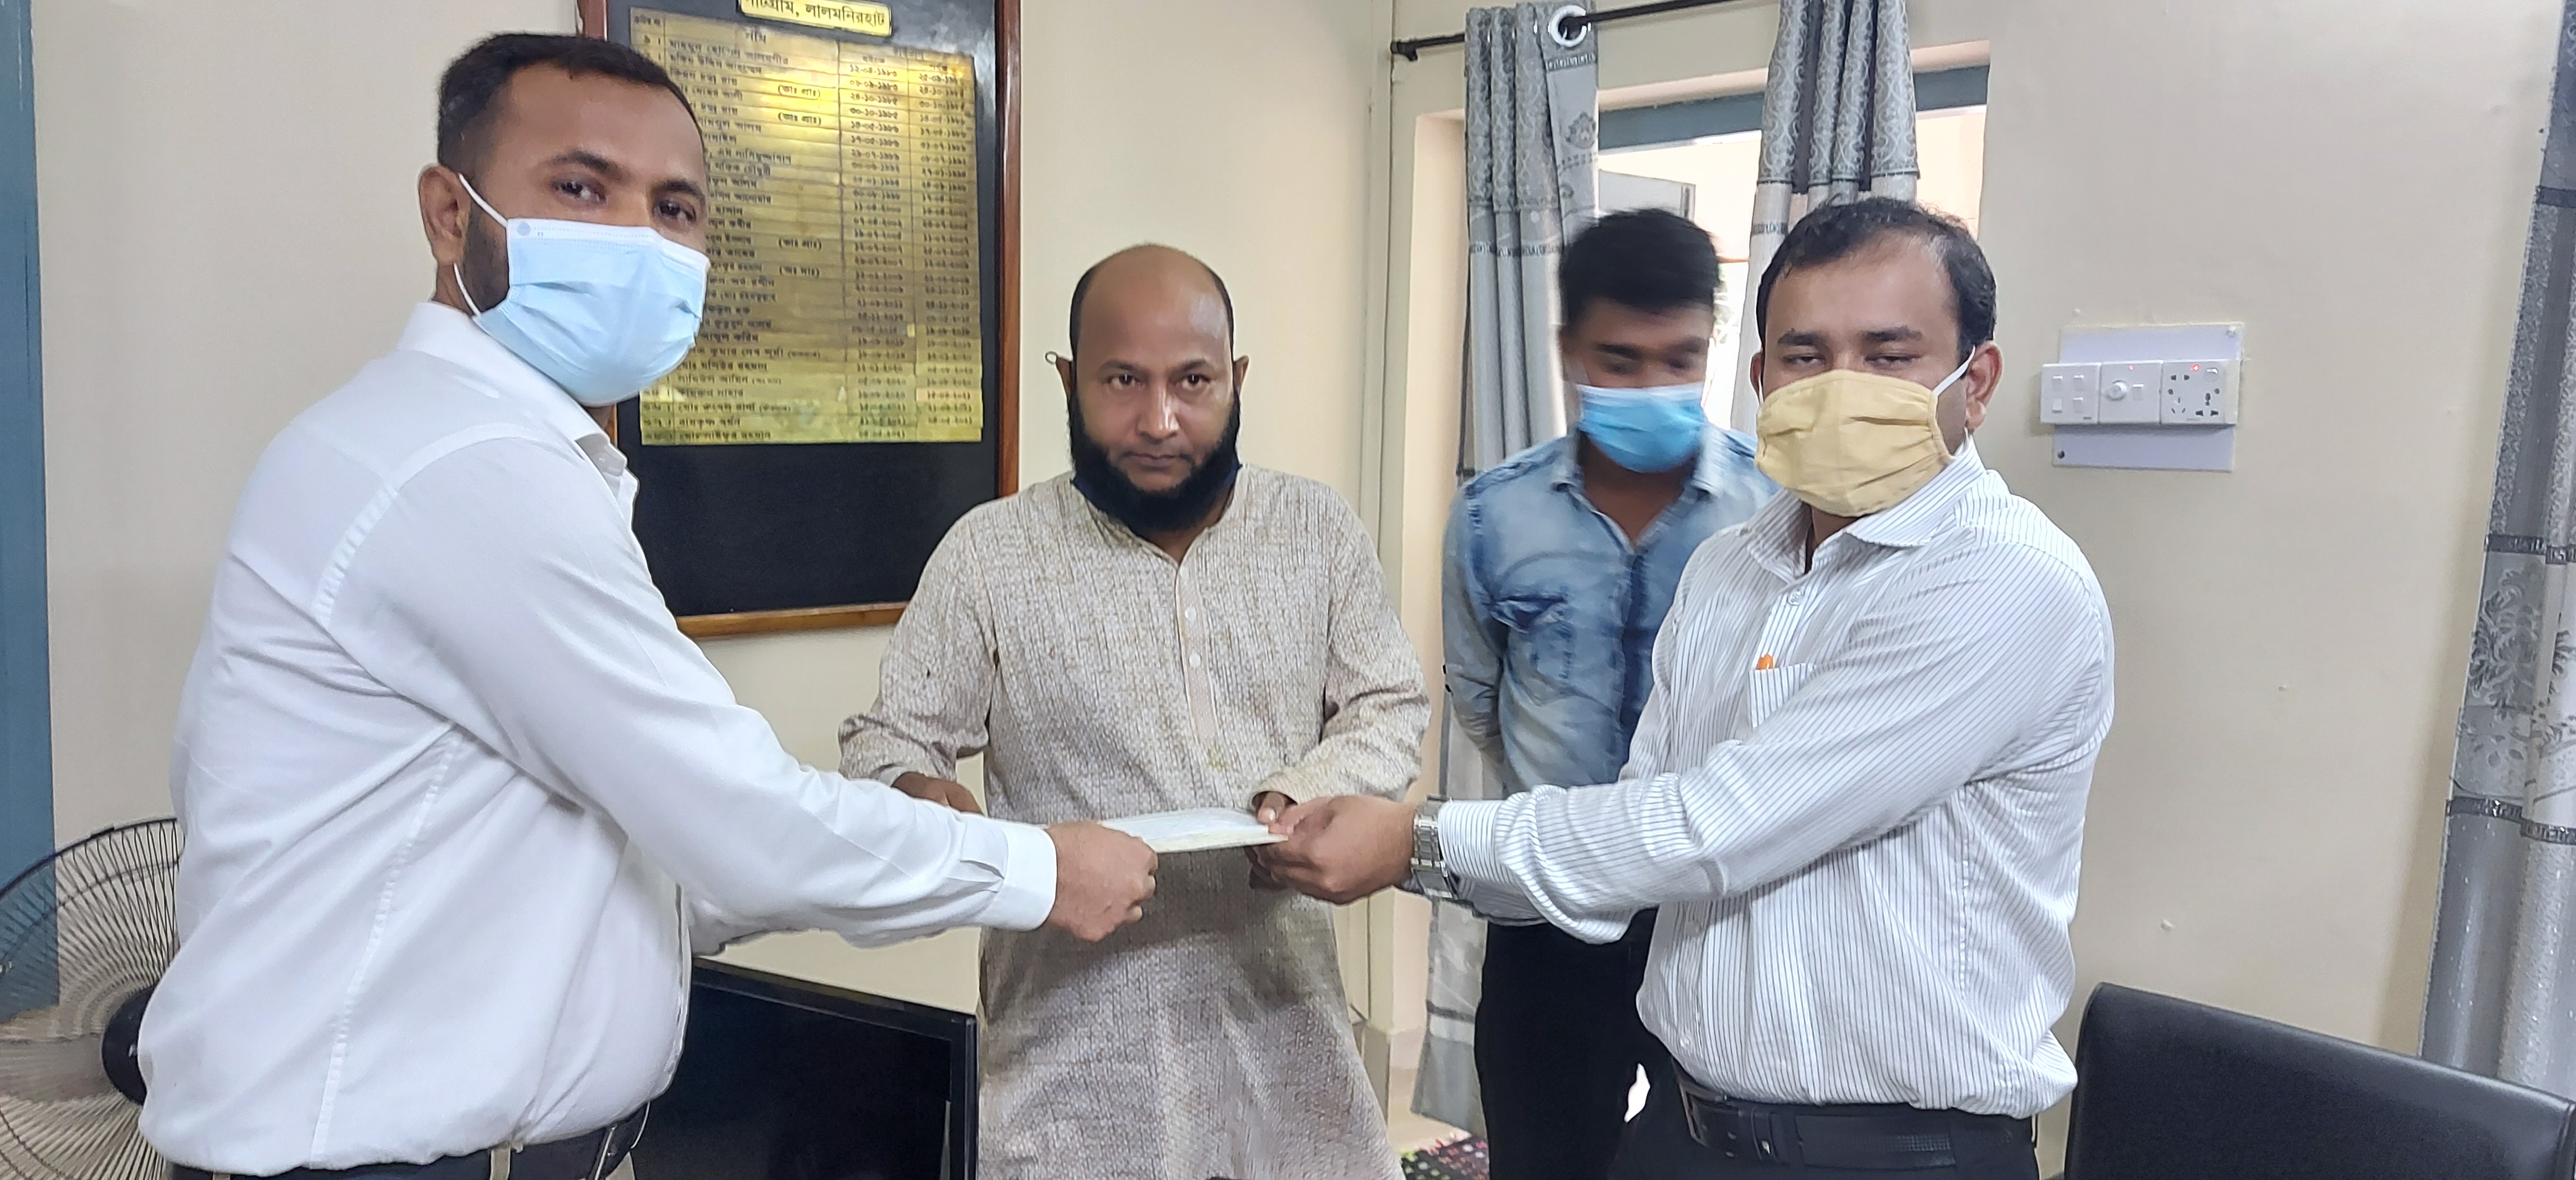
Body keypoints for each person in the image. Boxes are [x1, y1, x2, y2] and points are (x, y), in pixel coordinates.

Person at [140, 35, 1157, 1180]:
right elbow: (735, 818)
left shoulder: (493, 455)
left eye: (675, 209)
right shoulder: (462, 468)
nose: (638, 239)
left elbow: (626, 849)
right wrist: (1033, 869)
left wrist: (898, 843)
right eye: (581, 189)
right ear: (449, 214)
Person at [1259, 197, 2115, 1180]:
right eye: (1805, 355)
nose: (1843, 387)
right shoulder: (1729, 568)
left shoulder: (2003, 581)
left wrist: (1414, 839)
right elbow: (1609, 772)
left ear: (1978, 378)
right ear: (1761, 377)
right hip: (1687, 1128)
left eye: (1889, 355)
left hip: (1893, 1153)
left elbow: (1719, 824)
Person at [836, 244, 1428, 1180]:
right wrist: (929, 803)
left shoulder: (1316, 530)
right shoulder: (991, 553)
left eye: (1193, 381)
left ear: (1236, 380)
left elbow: (1387, 702)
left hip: (1288, 1044)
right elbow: (889, 737)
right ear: (1069, 383)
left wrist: (1305, 791)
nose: (1159, 421)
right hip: (1074, 1070)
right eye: (1122, 381)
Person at [1441, 208, 1779, 1180]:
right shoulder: (1493, 513)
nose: (1652, 386)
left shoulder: (1773, 510)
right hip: (1547, 910)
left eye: (1680, 360)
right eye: (1620, 362)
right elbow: (1480, 694)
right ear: (1569, 351)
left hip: (1713, 915)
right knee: (1543, 1160)